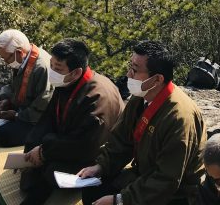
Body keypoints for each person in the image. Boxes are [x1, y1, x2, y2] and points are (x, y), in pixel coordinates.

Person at [77, 41, 207, 205]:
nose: (129, 74)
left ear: (157, 79)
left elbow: (167, 179)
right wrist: (101, 167)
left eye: (136, 70)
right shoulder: (141, 97)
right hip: (144, 176)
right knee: (93, 189)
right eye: (130, 67)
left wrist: (120, 200)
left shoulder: (179, 118)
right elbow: (121, 141)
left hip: (175, 194)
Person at [20, 38, 124, 205]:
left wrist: (44, 151)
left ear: (76, 72)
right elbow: (48, 118)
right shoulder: (67, 82)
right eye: (51, 65)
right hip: (65, 140)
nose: (52, 71)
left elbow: (86, 145)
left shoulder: (98, 97)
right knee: (30, 152)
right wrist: (33, 146)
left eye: (58, 68)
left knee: (51, 171)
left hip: (93, 156)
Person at [0, 29, 54, 147]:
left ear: (19, 52)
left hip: (34, 115)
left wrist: (17, 115)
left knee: (5, 135)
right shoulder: (21, 58)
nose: (6, 63)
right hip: (20, 102)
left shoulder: (42, 67)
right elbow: (13, 85)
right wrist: (6, 100)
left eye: (7, 59)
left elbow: (43, 104)